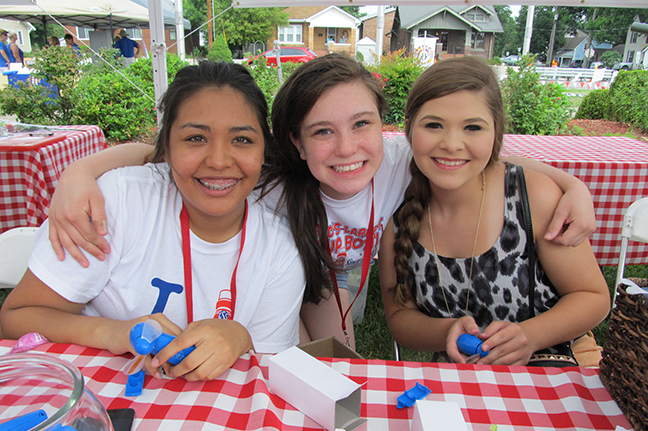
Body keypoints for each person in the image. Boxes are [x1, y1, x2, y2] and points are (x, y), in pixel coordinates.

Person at [44, 54, 597, 351]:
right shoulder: (266, 183)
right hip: (304, 286)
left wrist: (571, 184)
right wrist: (82, 168)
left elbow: (486, 160)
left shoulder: (403, 160)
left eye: (362, 125)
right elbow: (162, 156)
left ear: (385, 127)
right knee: (317, 360)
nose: (348, 149)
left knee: (342, 359)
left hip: (351, 288)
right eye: (323, 132)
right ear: (295, 144)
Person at [0, 61, 306, 381]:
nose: (218, 161)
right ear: (166, 149)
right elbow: (16, 318)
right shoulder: (117, 203)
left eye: (242, 139)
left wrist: (242, 338)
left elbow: (273, 373)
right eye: (195, 138)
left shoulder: (280, 250)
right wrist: (115, 333)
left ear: (263, 151)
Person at [379, 56, 609, 366]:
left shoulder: (532, 198)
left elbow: (593, 297)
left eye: (473, 127)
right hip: (463, 387)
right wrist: (446, 330)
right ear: (409, 129)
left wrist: (531, 335)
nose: (452, 143)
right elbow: (399, 316)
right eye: (434, 125)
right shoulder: (398, 219)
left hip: (553, 372)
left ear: (495, 133)